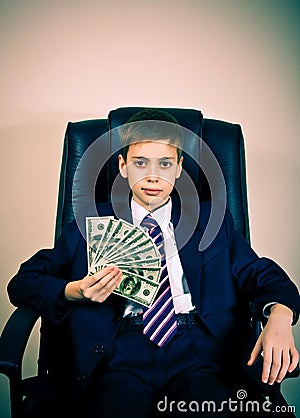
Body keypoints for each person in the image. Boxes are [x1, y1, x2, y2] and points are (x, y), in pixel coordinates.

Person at [7, 109, 300, 417]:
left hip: (199, 351)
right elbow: (23, 282)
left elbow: (262, 274)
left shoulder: (210, 222)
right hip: (117, 352)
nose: (153, 175)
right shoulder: (88, 225)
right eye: (140, 162)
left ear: (179, 168)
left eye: (165, 163)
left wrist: (279, 316)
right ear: (122, 166)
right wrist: (74, 291)